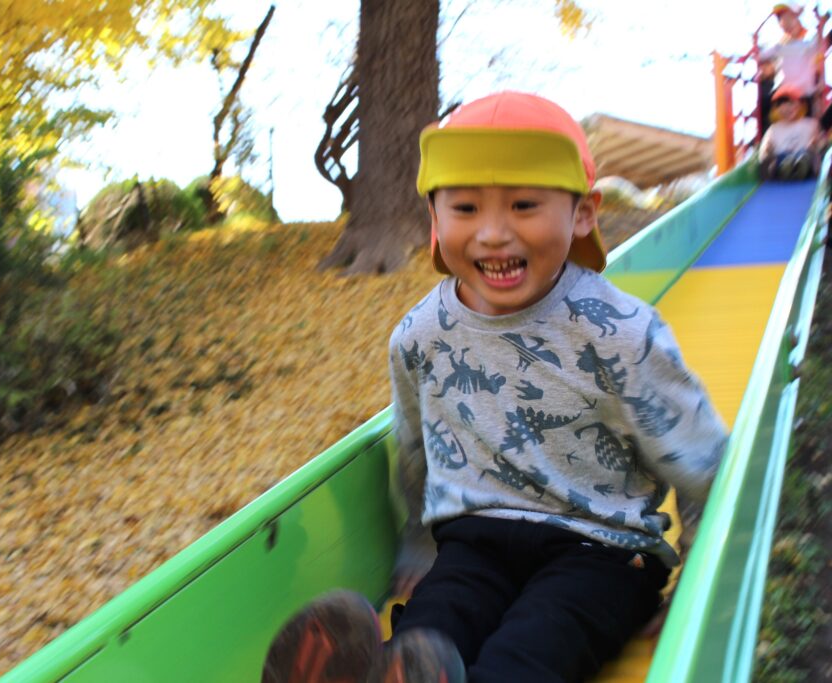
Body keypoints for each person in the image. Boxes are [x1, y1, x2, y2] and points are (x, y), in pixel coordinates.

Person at [260, 91, 728, 683]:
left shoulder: (620, 333)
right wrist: (418, 543)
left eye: (524, 205)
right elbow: (417, 448)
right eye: (465, 208)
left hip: (601, 549)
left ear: (584, 213)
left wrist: (702, 573)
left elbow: (699, 458)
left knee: (535, 643)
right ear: (435, 219)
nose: (493, 234)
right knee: (432, 629)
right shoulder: (421, 335)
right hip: (476, 541)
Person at [757, 3, 823, 131]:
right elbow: (758, 56)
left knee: (808, 125)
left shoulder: (808, 45)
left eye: (789, 18)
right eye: (782, 20)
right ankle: (765, 137)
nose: (786, 23)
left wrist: (820, 22)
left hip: (805, 95)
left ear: (798, 18)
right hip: (785, 95)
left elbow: (822, 42)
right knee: (767, 106)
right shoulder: (779, 47)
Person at [759, 85, 823, 179]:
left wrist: (816, 146)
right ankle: (786, 168)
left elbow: (820, 144)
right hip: (782, 158)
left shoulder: (811, 124)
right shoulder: (773, 129)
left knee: (805, 156)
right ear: (775, 109)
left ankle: (801, 167)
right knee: (781, 160)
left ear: (801, 105)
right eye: (781, 105)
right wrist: (766, 153)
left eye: (791, 103)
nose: (787, 108)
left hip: (804, 157)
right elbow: (765, 149)